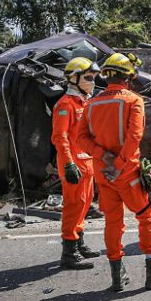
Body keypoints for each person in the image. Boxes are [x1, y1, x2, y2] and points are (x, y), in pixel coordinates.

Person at [77, 53, 151, 291]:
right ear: (128, 77)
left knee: (112, 222)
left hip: (103, 175)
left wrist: (102, 156)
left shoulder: (91, 104)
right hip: (127, 174)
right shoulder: (133, 100)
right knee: (147, 215)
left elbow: (81, 138)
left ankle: (118, 279)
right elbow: (135, 137)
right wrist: (119, 164)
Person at [52, 57, 102, 270]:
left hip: (87, 163)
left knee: (84, 204)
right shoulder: (65, 105)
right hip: (73, 165)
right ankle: (69, 253)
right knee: (74, 206)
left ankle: (79, 243)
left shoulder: (84, 102)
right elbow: (59, 137)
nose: (92, 81)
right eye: (88, 77)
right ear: (74, 79)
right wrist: (68, 163)